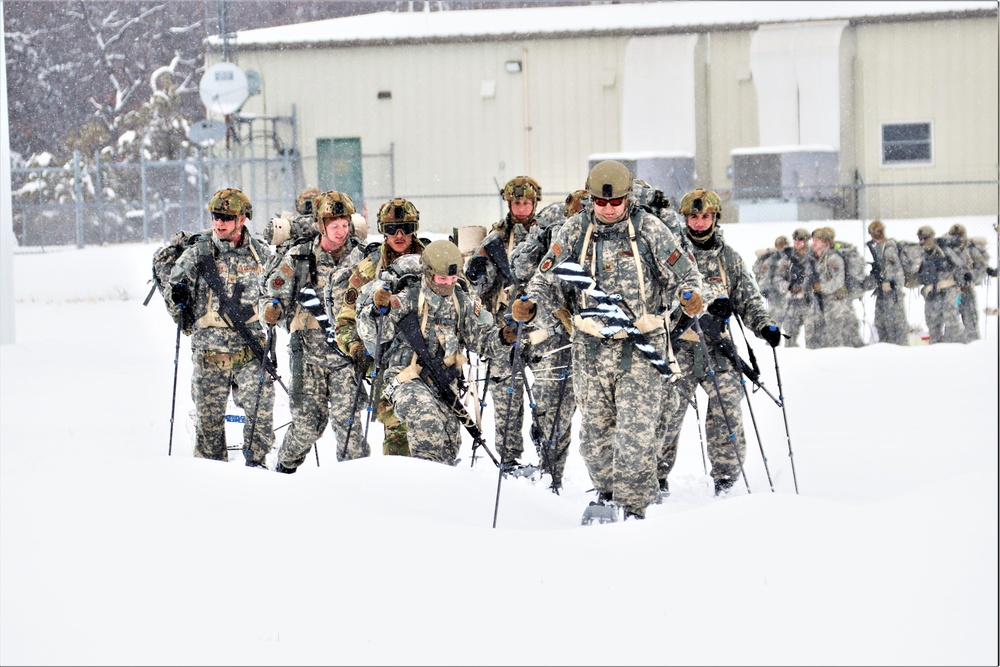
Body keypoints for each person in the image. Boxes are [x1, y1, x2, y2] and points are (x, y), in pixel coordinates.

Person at [516, 159, 704, 521]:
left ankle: (634, 511)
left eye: (615, 202)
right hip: (590, 346)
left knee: (635, 437)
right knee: (595, 440)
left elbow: (687, 275)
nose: (607, 209)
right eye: (600, 203)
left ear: (627, 198)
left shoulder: (650, 230)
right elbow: (545, 278)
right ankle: (606, 494)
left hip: (641, 347)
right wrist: (531, 302)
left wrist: (692, 296)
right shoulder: (573, 231)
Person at [658, 189, 780, 497]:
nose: (699, 223)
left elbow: (749, 299)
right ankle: (655, 479)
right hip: (679, 348)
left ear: (715, 218)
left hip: (718, 348)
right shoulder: (670, 255)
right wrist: (700, 307)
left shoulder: (729, 259)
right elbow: (657, 300)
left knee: (728, 415)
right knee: (666, 416)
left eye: (706, 217)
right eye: (694, 217)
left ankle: (726, 480)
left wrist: (764, 326)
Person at [357, 240, 510, 465]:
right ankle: (424, 489)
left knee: (447, 450)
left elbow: (482, 341)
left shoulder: (462, 303)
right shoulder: (409, 297)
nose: (448, 284)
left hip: (444, 385)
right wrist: (378, 310)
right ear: (428, 274)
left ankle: (434, 492)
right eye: (442, 279)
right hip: (407, 378)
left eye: (452, 278)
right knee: (426, 422)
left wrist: (506, 336)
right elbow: (372, 331)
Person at [166, 187, 275, 467]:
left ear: (242, 219)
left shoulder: (261, 254)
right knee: (209, 429)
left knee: (261, 415)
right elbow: (176, 300)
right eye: (216, 216)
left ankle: (257, 469)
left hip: (250, 351)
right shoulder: (198, 254)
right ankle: (212, 485)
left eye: (227, 217)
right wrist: (177, 297)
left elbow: (279, 293)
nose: (220, 223)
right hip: (209, 354)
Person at [262, 191, 368, 473]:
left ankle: (361, 487)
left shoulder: (362, 256)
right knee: (308, 426)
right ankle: (283, 469)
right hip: (308, 355)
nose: (341, 230)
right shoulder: (299, 256)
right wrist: (270, 311)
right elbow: (270, 293)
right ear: (321, 224)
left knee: (349, 429)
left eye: (345, 223)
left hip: (346, 354)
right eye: (334, 224)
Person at [335, 197, 426, 456]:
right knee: (398, 441)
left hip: (431, 361)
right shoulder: (369, 269)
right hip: (389, 367)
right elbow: (345, 320)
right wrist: (355, 348)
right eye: (391, 229)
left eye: (406, 228)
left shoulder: (431, 262)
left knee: (434, 438)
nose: (399, 236)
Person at [464, 176, 542, 471]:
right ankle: (510, 460)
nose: (522, 208)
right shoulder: (495, 242)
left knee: (548, 397)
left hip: (542, 328)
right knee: (506, 395)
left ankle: (548, 454)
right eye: (516, 202)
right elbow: (477, 290)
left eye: (526, 202)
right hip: (506, 330)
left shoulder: (547, 235)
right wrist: (478, 273)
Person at [804, 227, 862, 348]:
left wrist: (822, 287)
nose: (813, 243)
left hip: (836, 303)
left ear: (825, 242)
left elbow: (838, 281)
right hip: (822, 303)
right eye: (813, 240)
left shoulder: (833, 259)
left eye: (817, 240)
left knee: (836, 337)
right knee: (822, 336)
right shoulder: (817, 259)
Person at [915, 225, 965, 343]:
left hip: (948, 291)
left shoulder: (944, 251)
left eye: (925, 238)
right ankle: (935, 348)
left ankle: (952, 345)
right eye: (920, 238)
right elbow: (915, 273)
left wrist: (961, 281)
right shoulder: (920, 254)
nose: (922, 241)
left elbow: (959, 265)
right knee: (932, 323)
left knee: (951, 321)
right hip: (932, 293)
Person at [864, 220, 908, 345]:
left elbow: (895, 270)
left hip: (892, 295)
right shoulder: (878, 248)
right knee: (882, 325)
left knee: (895, 327)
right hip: (883, 294)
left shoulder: (888, 248)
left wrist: (887, 282)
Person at [946, 223, 986, 342]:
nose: (958, 239)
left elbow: (981, 270)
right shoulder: (947, 250)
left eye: (960, 236)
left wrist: (971, 276)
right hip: (951, 291)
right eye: (955, 236)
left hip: (966, 291)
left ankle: (973, 345)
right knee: (951, 323)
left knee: (970, 320)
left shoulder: (971, 250)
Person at [773, 228, 813, 347]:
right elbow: (777, 279)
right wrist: (789, 286)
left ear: (806, 241)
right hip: (793, 302)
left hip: (810, 301)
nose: (797, 242)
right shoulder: (788, 259)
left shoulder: (813, 256)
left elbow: (818, 278)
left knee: (812, 335)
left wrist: (805, 288)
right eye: (795, 239)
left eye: (800, 239)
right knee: (790, 335)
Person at [753, 235, 790, 327]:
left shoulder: (791, 258)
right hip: (773, 292)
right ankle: (772, 338)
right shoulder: (771, 259)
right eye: (780, 245)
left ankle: (788, 340)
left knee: (788, 318)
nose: (783, 248)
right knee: (774, 316)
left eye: (785, 245)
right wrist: (764, 289)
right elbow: (759, 271)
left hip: (786, 292)